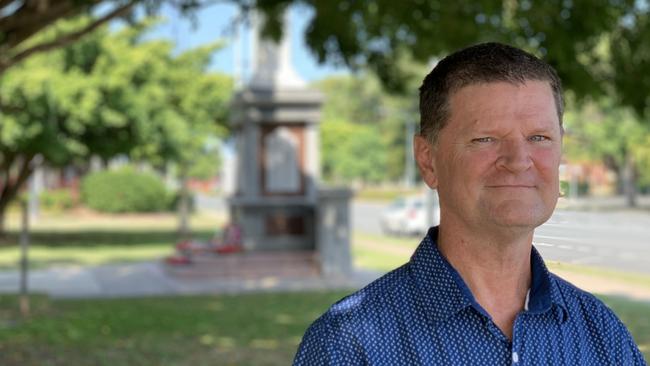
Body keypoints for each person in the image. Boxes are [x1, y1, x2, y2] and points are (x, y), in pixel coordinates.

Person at [293, 42, 646, 365]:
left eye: (539, 137)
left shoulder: (603, 337)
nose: (518, 159)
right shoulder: (348, 346)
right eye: (485, 138)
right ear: (428, 160)